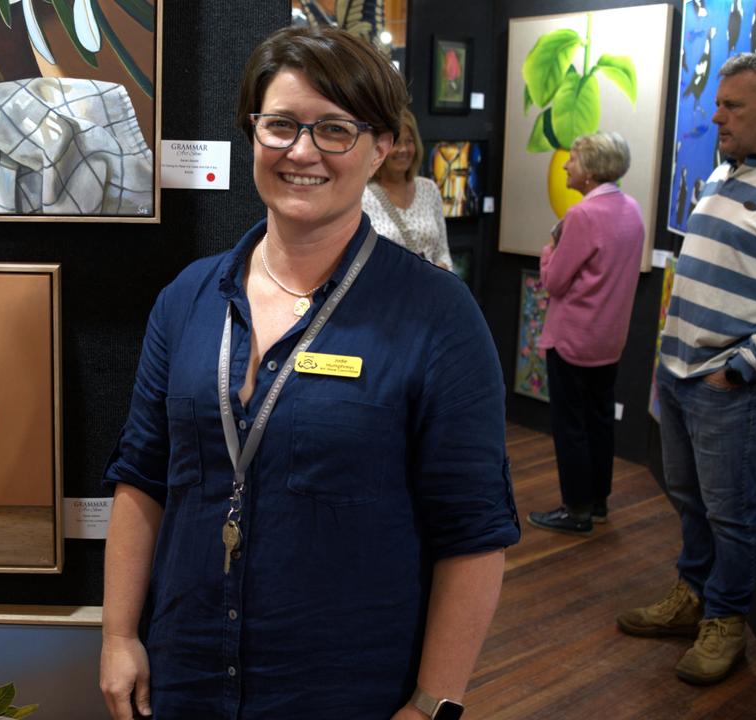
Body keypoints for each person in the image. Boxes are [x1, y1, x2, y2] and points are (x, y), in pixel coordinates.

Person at [99, 25, 519, 720]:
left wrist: (431, 704)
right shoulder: (187, 301)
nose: (302, 151)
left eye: (335, 130)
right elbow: (142, 477)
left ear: (381, 145)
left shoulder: (438, 317)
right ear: (251, 133)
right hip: (184, 674)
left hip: (345, 688)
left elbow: (472, 534)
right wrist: (118, 635)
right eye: (282, 125)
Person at [617, 53, 756, 685]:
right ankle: (692, 597)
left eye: (731, 106)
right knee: (689, 500)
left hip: (726, 387)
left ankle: (726, 624)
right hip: (682, 374)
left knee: (731, 514)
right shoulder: (723, 174)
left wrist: (739, 371)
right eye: (718, 103)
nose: (716, 115)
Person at [527, 132, 644, 535]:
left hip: (573, 338)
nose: (565, 165)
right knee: (599, 420)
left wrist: (549, 249)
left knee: (570, 424)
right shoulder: (631, 209)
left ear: (591, 170)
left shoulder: (581, 216)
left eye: (573, 159)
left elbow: (554, 281)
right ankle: (596, 502)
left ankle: (574, 508)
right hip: (608, 340)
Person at [362, 108, 453, 270]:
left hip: (428, 291)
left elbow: (442, 251)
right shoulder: (362, 195)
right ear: (380, 149)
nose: (403, 149)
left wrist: (441, 272)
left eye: (409, 141)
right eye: (396, 143)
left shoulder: (429, 189)